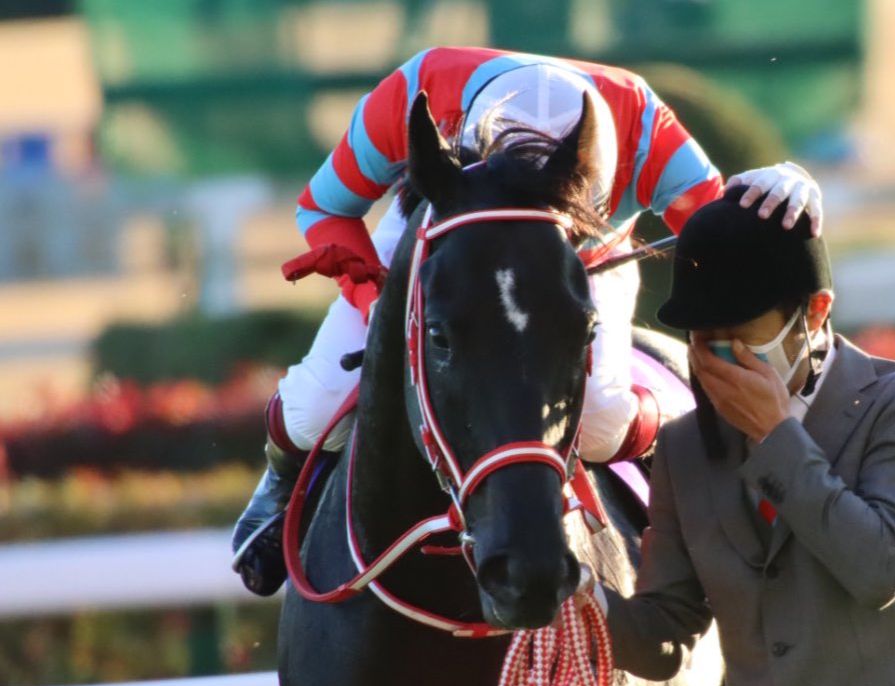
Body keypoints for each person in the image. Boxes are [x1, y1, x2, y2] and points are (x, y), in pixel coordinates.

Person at [230, 46, 826, 596]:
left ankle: (676, 425)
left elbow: (719, 235)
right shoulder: (417, 85)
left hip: (580, 253)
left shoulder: (645, 122)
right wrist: (382, 307)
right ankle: (279, 487)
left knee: (601, 423)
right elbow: (323, 208)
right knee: (315, 403)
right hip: (447, 232)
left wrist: (781, 192)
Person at [590, 187, 895, 686]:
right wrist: (579, 596)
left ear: (815, 311)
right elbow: (666, 637)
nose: (718, 357)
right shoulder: (684, 446)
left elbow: (879, 567)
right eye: (704, 339)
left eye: (740, 336)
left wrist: (774, 433)